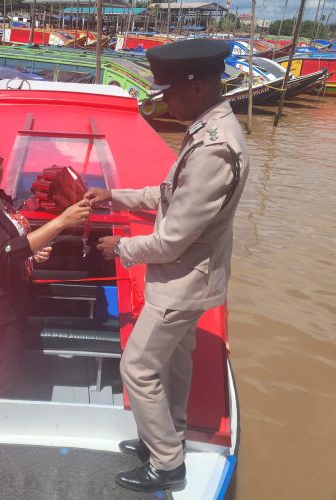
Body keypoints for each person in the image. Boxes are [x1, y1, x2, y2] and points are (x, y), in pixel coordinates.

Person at [85, 39, 250, 492]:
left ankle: (167, 464)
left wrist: (120, 248)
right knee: (175, 365)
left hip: (182, 283)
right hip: (190, 279)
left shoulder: (214, 150)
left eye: (170, 91)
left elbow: (173, 239)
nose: (164, 100)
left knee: (137, 367)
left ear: (197, 89)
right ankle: (168, 438)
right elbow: (165, 195)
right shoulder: (207, 131)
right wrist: (113, 195)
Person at [0, 126, 91, 397]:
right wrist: (62, 221)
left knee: (12, 362)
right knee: (4, 373)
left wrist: (32, 252)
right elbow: (6, 251)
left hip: (11, 298)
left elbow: (15, 240)